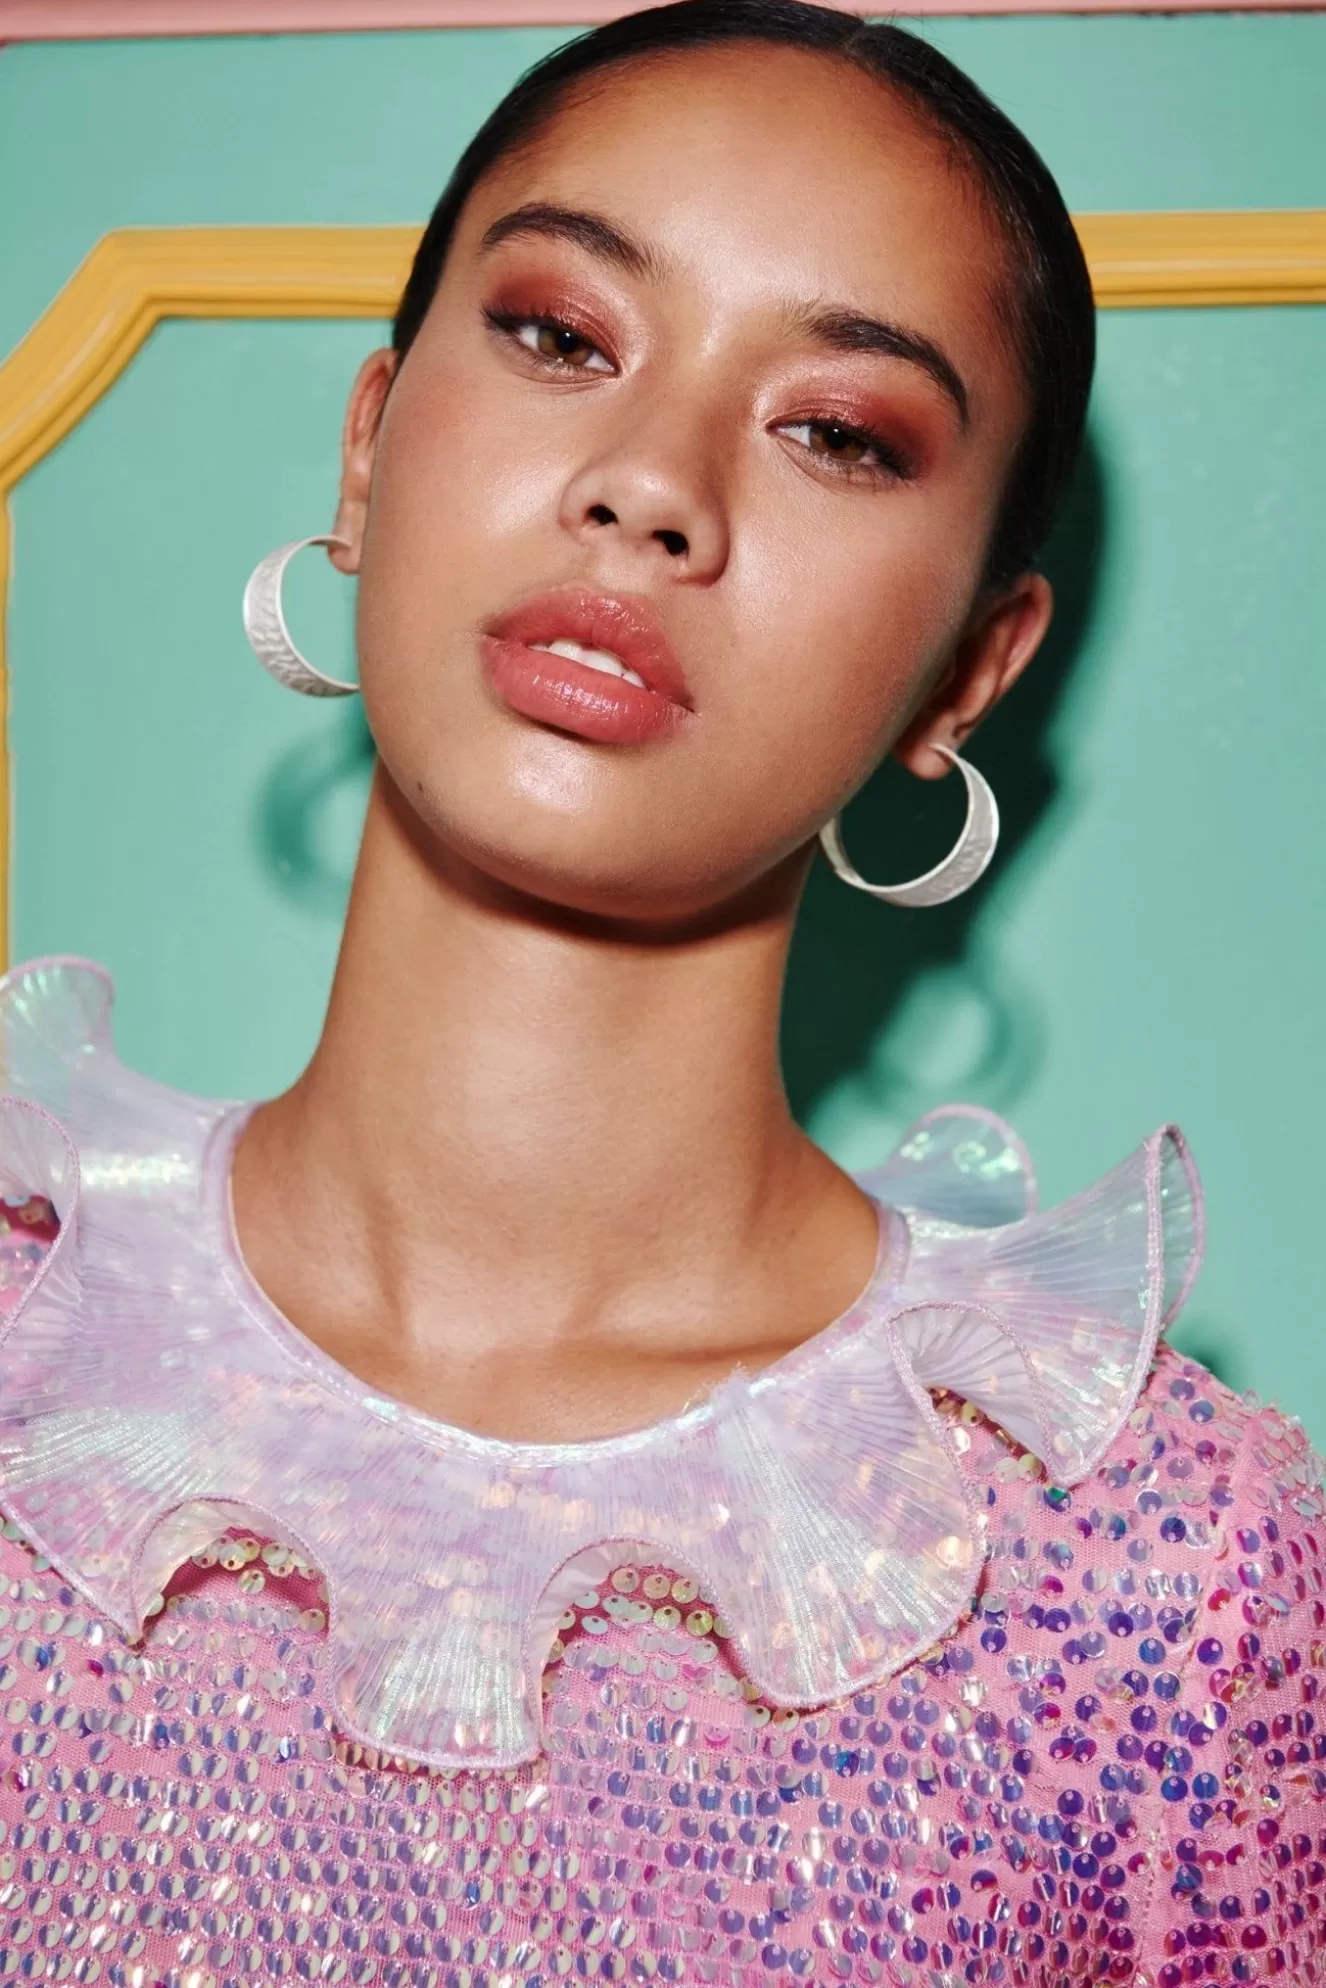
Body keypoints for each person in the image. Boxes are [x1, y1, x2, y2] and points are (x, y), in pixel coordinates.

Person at [0, 3, 1320, 1982]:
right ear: (369, 445)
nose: (648, 484)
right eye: (561, 335)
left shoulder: (1160, 1574)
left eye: (837, 432)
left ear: (972, 671)